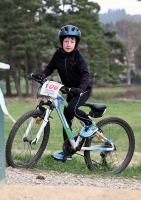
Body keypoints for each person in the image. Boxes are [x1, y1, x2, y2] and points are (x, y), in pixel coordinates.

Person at [33, 24, 97, 161]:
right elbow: (50, 68)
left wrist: (80, 89)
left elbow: (85, 74)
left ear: (76, 43)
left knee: (72, 108)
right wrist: (42, 75)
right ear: (62, 42)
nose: (69, 44)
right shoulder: (58, 55)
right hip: (69, 90)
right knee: (65, 120)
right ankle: (67, 152)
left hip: (81, 90)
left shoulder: (78, 57)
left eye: (72, 41)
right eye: (66, 41)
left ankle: (89, 125)